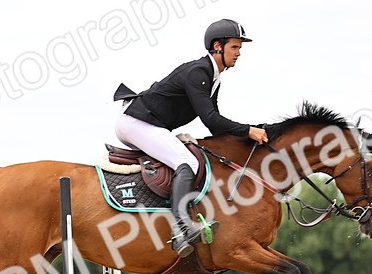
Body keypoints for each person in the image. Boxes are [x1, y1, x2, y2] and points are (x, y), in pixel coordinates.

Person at [113, 18, 269, 257]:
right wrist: (248, 130)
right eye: (235, 47)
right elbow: (211, 119)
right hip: (136, 123)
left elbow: (216, 125)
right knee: (188, 162)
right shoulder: (199, 72)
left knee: (189, 158)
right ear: (218, 46)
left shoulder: (213, 77)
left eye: (239, 48)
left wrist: (245, 140)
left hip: (146, 123)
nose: (239, 53)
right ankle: (180, 228)